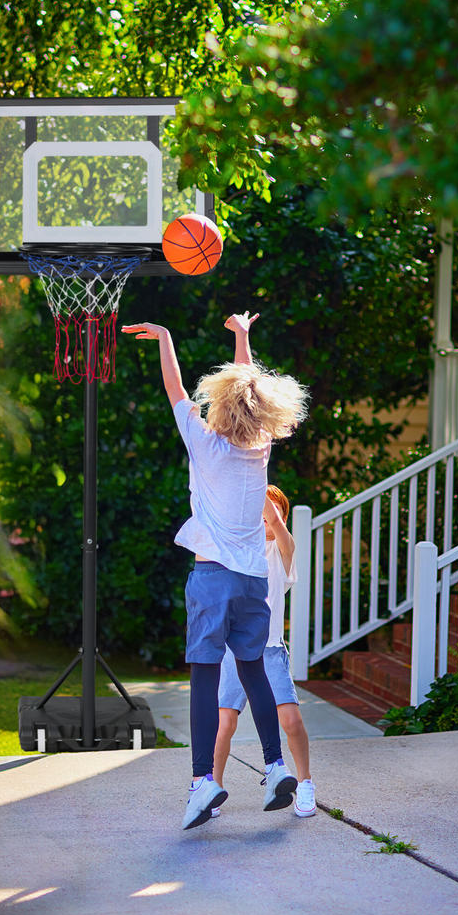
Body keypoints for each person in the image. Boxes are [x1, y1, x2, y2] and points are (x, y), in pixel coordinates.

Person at [121, 311, 309, 830]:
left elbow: (175, 388)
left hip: (212, 579)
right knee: (253, 672)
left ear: (220, 403)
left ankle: (203, 780)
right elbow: (248, 387)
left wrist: (166, 336)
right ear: (261, 410)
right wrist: (243, 337)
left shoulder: (203, 443)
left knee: (204, 676)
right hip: (253, 584)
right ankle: (275, 767)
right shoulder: (260, 449)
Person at [212, 482, 315, 819]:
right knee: (224, 723)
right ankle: (211, 787)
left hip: (269, 651)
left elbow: (277, 527)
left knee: (291, 720)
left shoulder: (282, 551)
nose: (266, 520)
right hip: (233, 652)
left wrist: (254, 478)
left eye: (272, 514)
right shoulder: (240, 551)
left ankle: (305, 783)